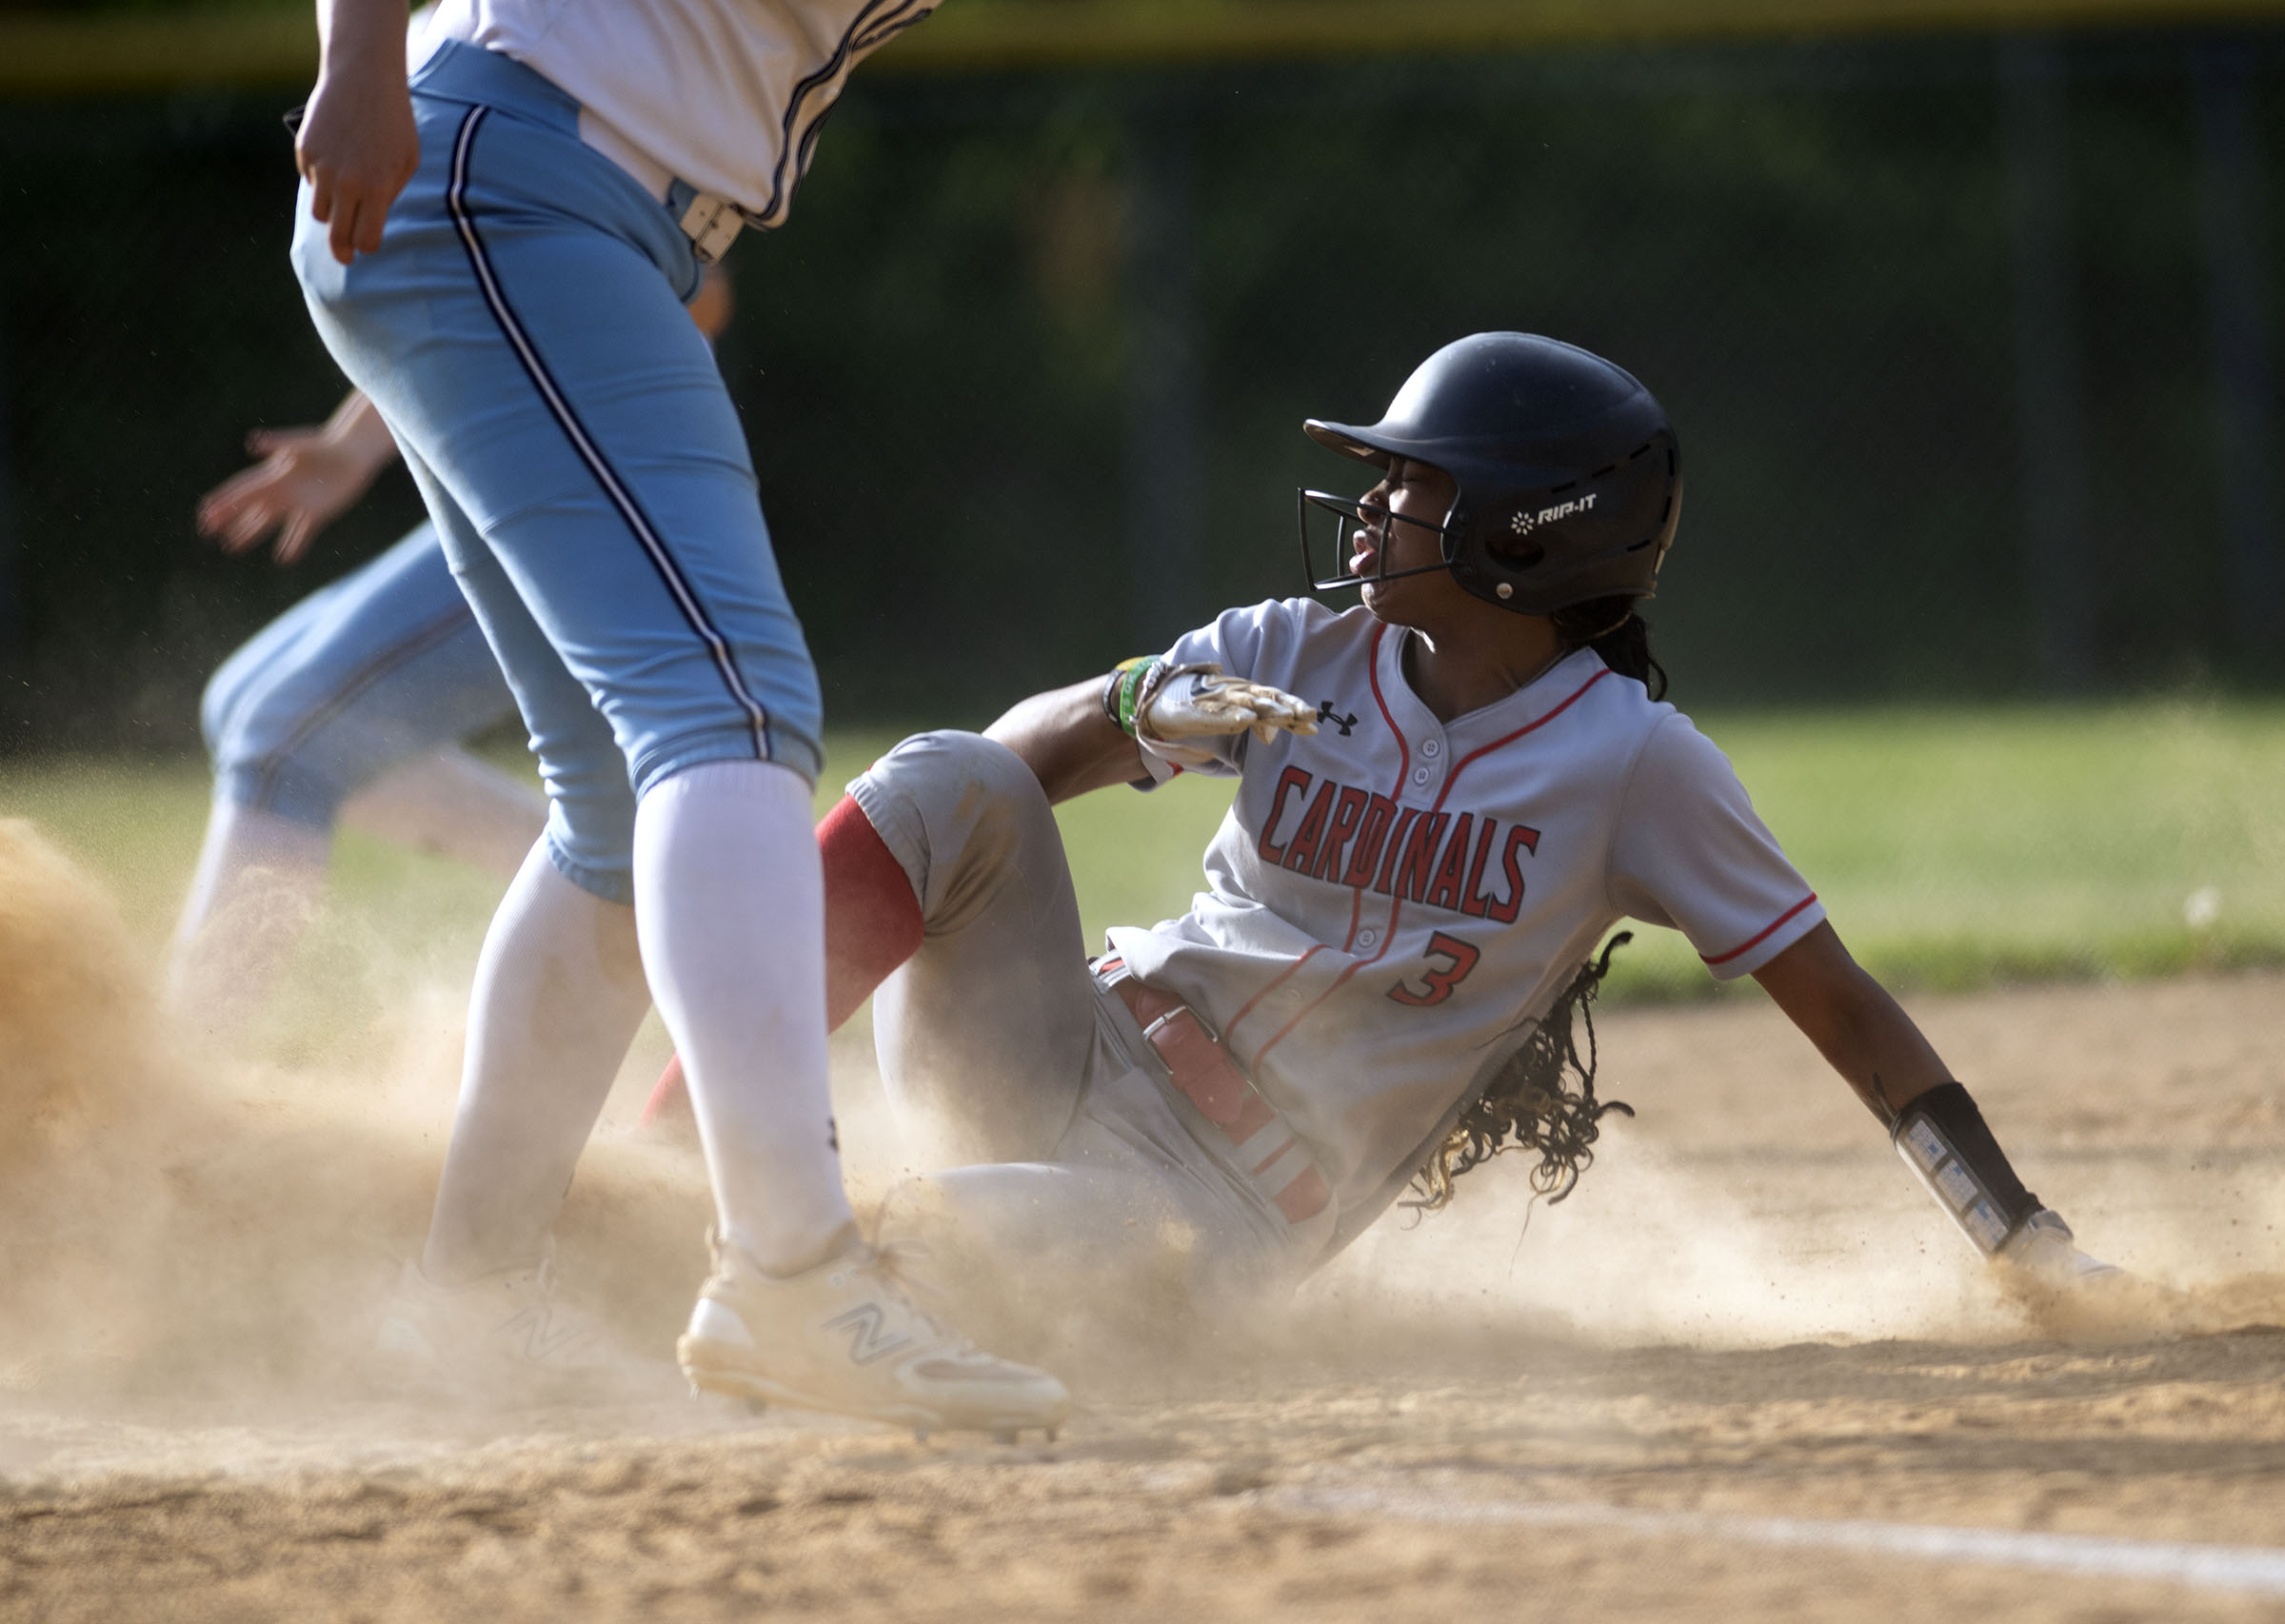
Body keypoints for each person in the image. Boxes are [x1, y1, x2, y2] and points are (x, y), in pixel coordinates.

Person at [670, 333, 2118, 1334]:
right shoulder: (1289, 648)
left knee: (935, 1240)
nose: (1375, 502)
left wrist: (2021, 1239)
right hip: (1064, 1045)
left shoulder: (1631, 767)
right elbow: (998, 784)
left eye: (1419, 479)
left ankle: (757, 1267)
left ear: (1529, 532)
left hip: (1205, 1205)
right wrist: (1139, 700)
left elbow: (1846, 1009)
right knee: (943, 772)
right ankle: (668, 1159)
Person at [291, 0, 1067, 1436]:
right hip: (510, 177)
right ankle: (790, 1269)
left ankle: (459, 1313)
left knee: (609, 807)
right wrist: (360, 54)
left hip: (552, 199)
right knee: (730, 710)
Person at [170, 266, 732, 1040]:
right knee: (241, 704)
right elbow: (463, 291)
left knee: (284, 739)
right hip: (508, 492)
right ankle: (627, 890)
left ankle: (180, 1068)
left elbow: (702, 287)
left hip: (594, 501)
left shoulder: (564, 147)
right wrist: (353, 446)